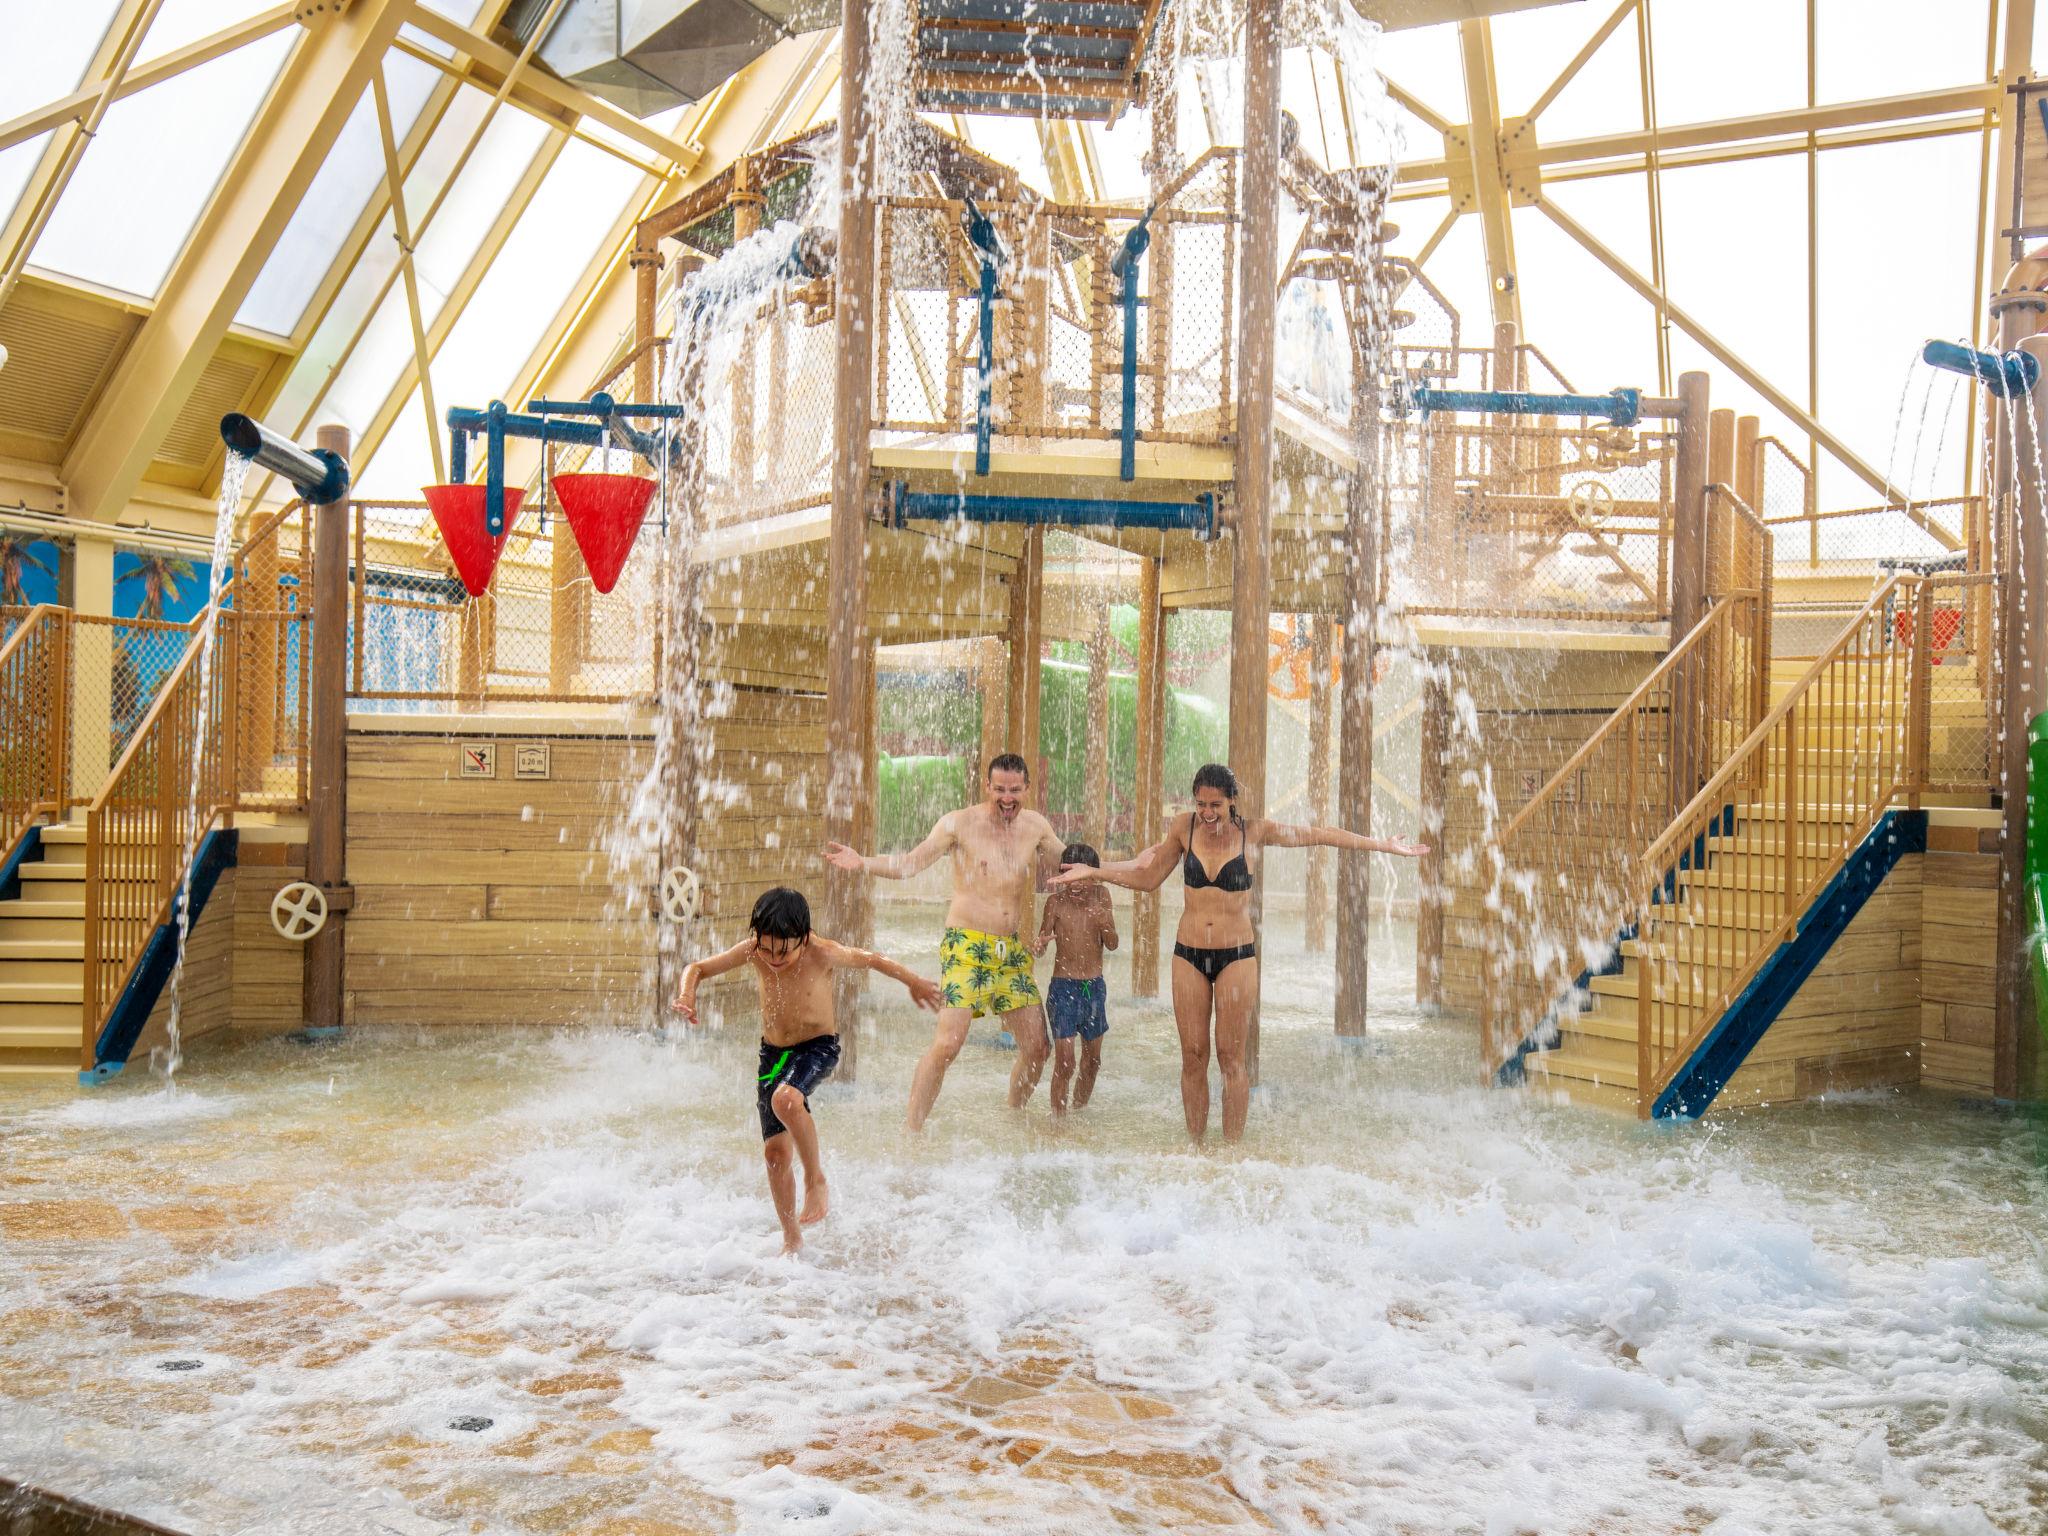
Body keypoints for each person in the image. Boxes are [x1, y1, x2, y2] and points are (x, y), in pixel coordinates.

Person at [1049, 763, 1427, 1145]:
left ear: (1233, 802)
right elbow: (1147, 880)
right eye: (1201, 804)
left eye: (1216, 804)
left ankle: (1230, 1155)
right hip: (1189, 955)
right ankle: (1196, 1148)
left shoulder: (1255, 831)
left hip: (1237, 957)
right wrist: (1094, 873)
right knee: (1193, 1056)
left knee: (1231, 1059)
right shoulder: (1184, 827)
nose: (1208, 813)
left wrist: (1382, 845)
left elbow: (1321, 835)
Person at [671, 886, 941, 1254]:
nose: (773, 959)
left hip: (817, 1048)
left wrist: (914, 982)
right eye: (766, 949)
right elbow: (697, 968)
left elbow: (874, 960)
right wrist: (687, 995)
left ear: (804, 936)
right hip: (774, 1055)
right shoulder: (754, 951)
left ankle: (816, 1181)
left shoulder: (822, 951)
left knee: (786, 1099)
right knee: (775, 1155)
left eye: (783, 951)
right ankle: (792, 1239)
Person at [824, 752, 1067, 1131]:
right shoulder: (959, 824)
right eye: (999, 789)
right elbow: (910, 863)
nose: (1007, 797)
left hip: (1010, 952)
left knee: (1038, 1049)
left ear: (1027, 789)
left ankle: (1013, 1117)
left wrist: (1111, 871)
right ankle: (912, 1132)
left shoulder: (1036, 828)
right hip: (966, 946)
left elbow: (1071, 863)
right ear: (987, 786)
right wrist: (864, 862)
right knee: (949, 1044)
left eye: (1015, 790)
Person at [1033, 842, 1118, 1116]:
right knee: (1066, 1062)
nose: (1076, 885)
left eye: (1082, 878)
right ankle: (1058, 1121)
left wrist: (1105, 921)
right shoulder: (1055, 903)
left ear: (1093, 876)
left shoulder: (1102, 896)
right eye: (1070, 877)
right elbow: (1043, 946)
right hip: (1063, 988)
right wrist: (1039, 945)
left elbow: (1113, 944)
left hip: (1093, 988)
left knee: (1092, 1060)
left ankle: (1079, 1111)